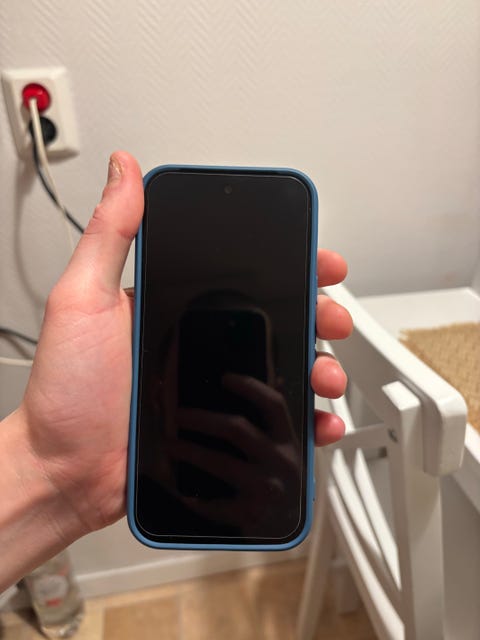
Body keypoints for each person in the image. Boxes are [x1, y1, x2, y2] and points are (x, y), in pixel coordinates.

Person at [0, 151, 353, 592]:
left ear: (277, 386)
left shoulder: (272, 480)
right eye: (199, 356)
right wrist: (47, 467)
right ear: (155, 385)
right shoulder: (144, 487)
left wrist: (47, 473)